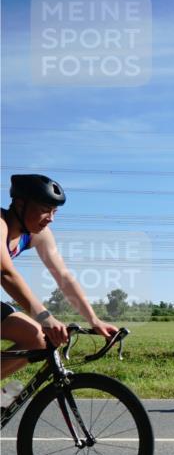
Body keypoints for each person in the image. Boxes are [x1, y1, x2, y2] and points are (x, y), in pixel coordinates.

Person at [2, 174, 118, 406]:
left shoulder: (37, 234)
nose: (51, 219)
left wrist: (94, 319)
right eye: (45, 210)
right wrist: (45, 317)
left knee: (36, 338)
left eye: (55, 211)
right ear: (20, 204)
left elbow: (64, 277)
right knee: (38, 329)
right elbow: (6, 274)